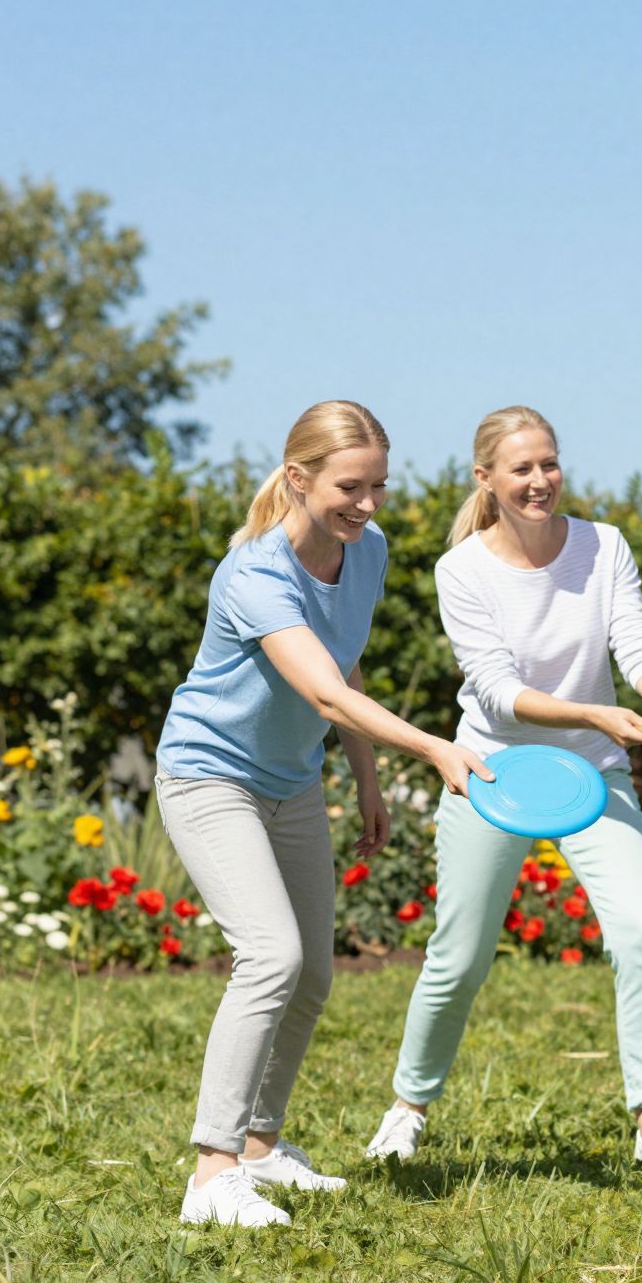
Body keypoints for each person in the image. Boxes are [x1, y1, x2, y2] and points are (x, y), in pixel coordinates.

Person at [365, 407, 642, 1173]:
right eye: (522, 469)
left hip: (593, 772)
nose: (539, 481)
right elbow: (496, 691)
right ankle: (407, 1108)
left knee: (641, 932)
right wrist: (591, 709)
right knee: (459, 957)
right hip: (493, 773)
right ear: (486, 479)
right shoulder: (461, 569)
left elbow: (636, 646)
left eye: (549, 464)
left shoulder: (604, 546)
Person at [157, 400, 492, 1228]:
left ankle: (264, 1148)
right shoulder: (254, 575)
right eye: (351, 486)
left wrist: (366, 779)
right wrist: (435, 750)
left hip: (291, 780)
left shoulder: (364, 552)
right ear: (299, 477)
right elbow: (321, 687)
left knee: (311, 974)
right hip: (210, 775)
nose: (368, 504)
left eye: (380, 485)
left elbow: (343, 673)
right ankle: (213, 1172)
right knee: (269, 956)